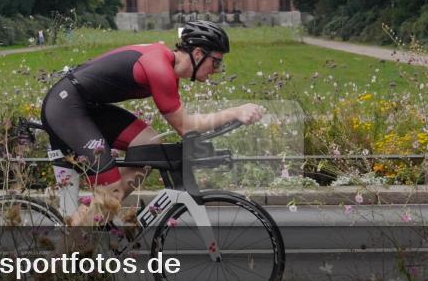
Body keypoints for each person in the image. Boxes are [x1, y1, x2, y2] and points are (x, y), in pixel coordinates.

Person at [40, 20, 264, 225]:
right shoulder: (160, 69)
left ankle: (93, 213)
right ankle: (61, 259)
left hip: (85, 106)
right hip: (66, 108)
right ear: (198, 53)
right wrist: (235, 112)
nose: (216, 70)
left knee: (150, 145)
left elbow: (183, 125)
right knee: (111, 194)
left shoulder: (168, 68)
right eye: (215, 62)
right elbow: (185, 126)